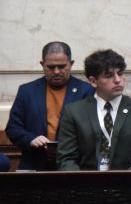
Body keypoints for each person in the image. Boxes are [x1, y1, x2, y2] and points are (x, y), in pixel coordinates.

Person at [56, 49, 131, 170]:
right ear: (93, 81)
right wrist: (83, 184)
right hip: (85, 185)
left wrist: (123, 183)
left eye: (120, 73)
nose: (117, 80)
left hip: (127, 184)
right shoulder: (74, 112)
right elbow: (66, 159)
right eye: (109, 76)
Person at [5, 42, 94, 170]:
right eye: (50, 67)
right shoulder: (27, 91)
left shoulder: (86, 91)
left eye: (61, 66)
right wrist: (30, 139)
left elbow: (92, 131)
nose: (56, 72)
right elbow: (13, 128)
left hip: (74, 166)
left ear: (71, 63)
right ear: (42, 65)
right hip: (35, 164)